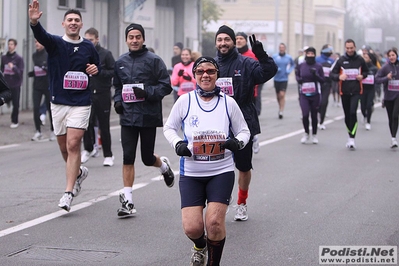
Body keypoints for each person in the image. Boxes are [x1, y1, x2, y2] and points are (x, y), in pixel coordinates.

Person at [163, 56, 251, 266]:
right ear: (194, 75)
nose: (205, 75)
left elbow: (244, 131)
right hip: (192, 173)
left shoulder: (228, 103)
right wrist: (177, 144)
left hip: (221, 170)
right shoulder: (185, 100)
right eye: (200, 71)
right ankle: (200, 246)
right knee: (192, 228)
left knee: (214, 223)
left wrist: (237, 143)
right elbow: (169, 128)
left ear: (217, 75)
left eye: (210, 71)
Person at [29, 0, 100, 211]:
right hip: (58, 102)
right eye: (69, 20)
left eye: (77, 20)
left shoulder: (88, 46)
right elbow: (41, 35)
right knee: (63, 148)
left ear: (81, 24)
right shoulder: (55, 43)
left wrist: (96, 70)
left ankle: (68, 192)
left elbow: (97, 67)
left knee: (73, 144)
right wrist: (34, 22)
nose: (73, 23)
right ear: (63, 24)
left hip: (80, 102)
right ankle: (78, 172)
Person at [214, 25, 277, 221]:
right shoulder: (211, 65)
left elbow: (269, 71)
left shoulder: (247, 63)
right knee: (217, 167)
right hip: (216, 122)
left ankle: (241, 202)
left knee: (243, 166)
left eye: (227, 39)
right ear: (216, 43)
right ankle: (220, 200)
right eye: (220, 40)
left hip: (243, 120)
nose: (223, 43)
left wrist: (261, 55)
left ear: (234, 42)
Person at [113, 23, 175, 217]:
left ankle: (163, 166)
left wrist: (146, 92)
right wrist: (117, 101)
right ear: (126, 39)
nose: (134, 40)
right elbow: (117, 86)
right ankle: (128, 202)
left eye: (138, 37)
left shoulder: (154, 60)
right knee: (128, 157)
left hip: (148, 116)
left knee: (147, 158)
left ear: (143, 39)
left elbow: (166, 86)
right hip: (128, 117)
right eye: (131, 37)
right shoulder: (120, 61)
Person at [81, 27, 115, 166]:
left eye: (91, 40)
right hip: (86, 93)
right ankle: (88, 148)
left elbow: (113, 71)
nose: (88, 42)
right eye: (86, 40)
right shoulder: (82, 53)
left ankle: (108, 155)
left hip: (102, 94)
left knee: (104, 125)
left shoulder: (106, 54)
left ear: (97, 39)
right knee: (85, 123)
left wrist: (99, 72)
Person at [330, 39, 368, 150]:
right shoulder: (341, 60)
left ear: (355, 47)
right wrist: (339, 77)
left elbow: (366, 71)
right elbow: (332, 74)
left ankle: (352, 138)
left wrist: (362, 76)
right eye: (347, 48)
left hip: (356, 91)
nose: (350, 50)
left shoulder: (360, 60)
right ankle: (349, 135)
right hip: (344, 91)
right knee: (347, 115)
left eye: (351, 48)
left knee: (352, 112)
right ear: (345, 48)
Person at [235, 31, 262, 154]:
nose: (239, 40)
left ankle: (253, 137)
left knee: (247, 120)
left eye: (241, 38)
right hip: (234, 94)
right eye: (237, 38)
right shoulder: (232, 55)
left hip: (250, 93)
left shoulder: (251, 55)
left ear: (246, 41)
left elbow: (260, 72)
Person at [295, 47, 325, 144]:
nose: (310, 55)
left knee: (314, 115)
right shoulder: (301, 65)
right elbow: (297, 75)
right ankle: (306, 133)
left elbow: (323, 80)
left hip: (315, 94)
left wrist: (316, 75)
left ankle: (315, 135)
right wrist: (299, 79)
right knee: (305, 114)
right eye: (309, 54)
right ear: (306, 55)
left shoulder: (318, 66)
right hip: (304, 94)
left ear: (315, 55)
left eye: (312, 54)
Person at [28, 39, 54, 141]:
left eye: (39, 42)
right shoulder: (34, 55)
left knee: (50, 108)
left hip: (47, 85)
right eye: (35, 42)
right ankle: (38, 131)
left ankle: (53, 130)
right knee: (36, 108)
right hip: (37, 85)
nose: (37, 44)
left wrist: (45, 67)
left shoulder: (48, 55)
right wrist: (32, 73)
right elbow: (37, 67)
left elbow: (51, 68)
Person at [375, 48, 399, 148]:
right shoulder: (385, 67)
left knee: (395, 116)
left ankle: (394, 138)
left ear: (396, 56)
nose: (391, 57)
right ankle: (393, 137)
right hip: (389, 96)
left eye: (393, 55)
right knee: (390, 118)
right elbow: (377, 79)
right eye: (389, 56)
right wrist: (386, 78)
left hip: (398, 95)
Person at [1, 38, 24, 128]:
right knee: (5, 99)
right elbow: (2, 69)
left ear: (15, 46)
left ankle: (15, 121)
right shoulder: (4, 58)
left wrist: (13, 67)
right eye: (9, 44)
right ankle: (8, 101)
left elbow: (20, 72)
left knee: (16, 103)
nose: (9, 46)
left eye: (11, 44)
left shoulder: (19, 58)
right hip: (6, 84)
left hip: (15, 84)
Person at [272, 43, 295, 119]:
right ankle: (280, 106)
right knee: (278, 96)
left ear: (285, 49)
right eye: (280, 47)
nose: (281, 49)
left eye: (283, 47)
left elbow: (293, 64)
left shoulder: (288, 57)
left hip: (284, 78)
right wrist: (275, 69)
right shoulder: (275, 56)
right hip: (276, 78)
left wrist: (289, 71)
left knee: (282, 94)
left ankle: (281, 111)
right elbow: (271, 64)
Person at [315, 44, 334, 130]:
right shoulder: (317, 60)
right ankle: (318, 112)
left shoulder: (332, 61)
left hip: (327, 84)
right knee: (317, 102)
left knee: (324, 102)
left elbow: (335, 72)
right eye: (329, 50)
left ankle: (321, 121)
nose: (330, 52)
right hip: (317, 83)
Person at [360, 52, 378, 131]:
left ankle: (368, 122)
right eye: (363, 57)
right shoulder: (361, 68)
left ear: (370, 58)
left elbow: (377, 78)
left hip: (371, 89)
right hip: (362, 88)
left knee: (368, 105)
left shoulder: (374, 68)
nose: (364, 59)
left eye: (366, 57)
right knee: (362, 106)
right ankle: (364, 115)